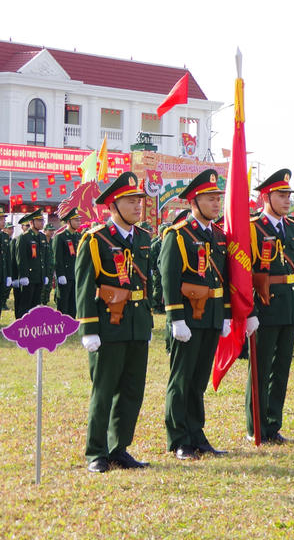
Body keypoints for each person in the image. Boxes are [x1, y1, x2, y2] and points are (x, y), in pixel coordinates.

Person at [75, 172, 152, 473]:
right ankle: (97, 452)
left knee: (132, 390)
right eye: (130, 201)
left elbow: (144, 283)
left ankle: (119, 448)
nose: (137, 206)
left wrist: (146, 322)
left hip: (136, 324)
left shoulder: (143, 238)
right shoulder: (96, 239)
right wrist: (89, 329)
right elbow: (85, 286)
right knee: (104, 390)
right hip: (109, 324)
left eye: (139, 201)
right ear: (112, 205)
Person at [160, 169, 230, 460]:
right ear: (194, 201)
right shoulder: (178, 235)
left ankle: (196, 433)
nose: (216, 203)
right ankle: (179, 438)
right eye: (210, 198)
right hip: (188, 317)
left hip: (211, 315)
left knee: (199, 380)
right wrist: (176, 318)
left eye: (218, 198)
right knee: (182, 379)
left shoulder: (219, 236)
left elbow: (225, 277)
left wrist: (226, 314)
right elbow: (169, 278)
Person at [245, 169, 294, 444]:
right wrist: (250, 312)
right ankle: (255, 426)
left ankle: (273, 424)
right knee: (260, 368)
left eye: (289, 195)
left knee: (281, 370)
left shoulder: (293, 228)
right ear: (265, 197)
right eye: (281, 195)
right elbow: (245, 273)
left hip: (288, 306)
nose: (287, 200)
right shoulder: (253, 228)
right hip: (265, 306)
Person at [11, 210, 52, 318]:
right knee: (25, 305)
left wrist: (45, 274)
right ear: (31, 222)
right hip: (28, 277)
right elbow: (21, 259)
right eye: (39, 220)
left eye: (42, 220)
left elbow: (45, 258)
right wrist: (23, 276)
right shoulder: (24, 237)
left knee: (35, 305)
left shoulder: (42, 237)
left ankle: (33, 324)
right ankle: (21, 325)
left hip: (39, 276)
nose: (42, 223)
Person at [51, 208, 81, 317]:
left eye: (79, 220)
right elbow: (57, 258)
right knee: (63, 302)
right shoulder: (60, 237)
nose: (79, 222)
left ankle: (72, 322)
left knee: (74, 302)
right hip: (65, 275)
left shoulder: (78, 236)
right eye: (76, 220)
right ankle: (62, 322)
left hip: (75, 274)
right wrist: (60, 274)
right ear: (68, 222)